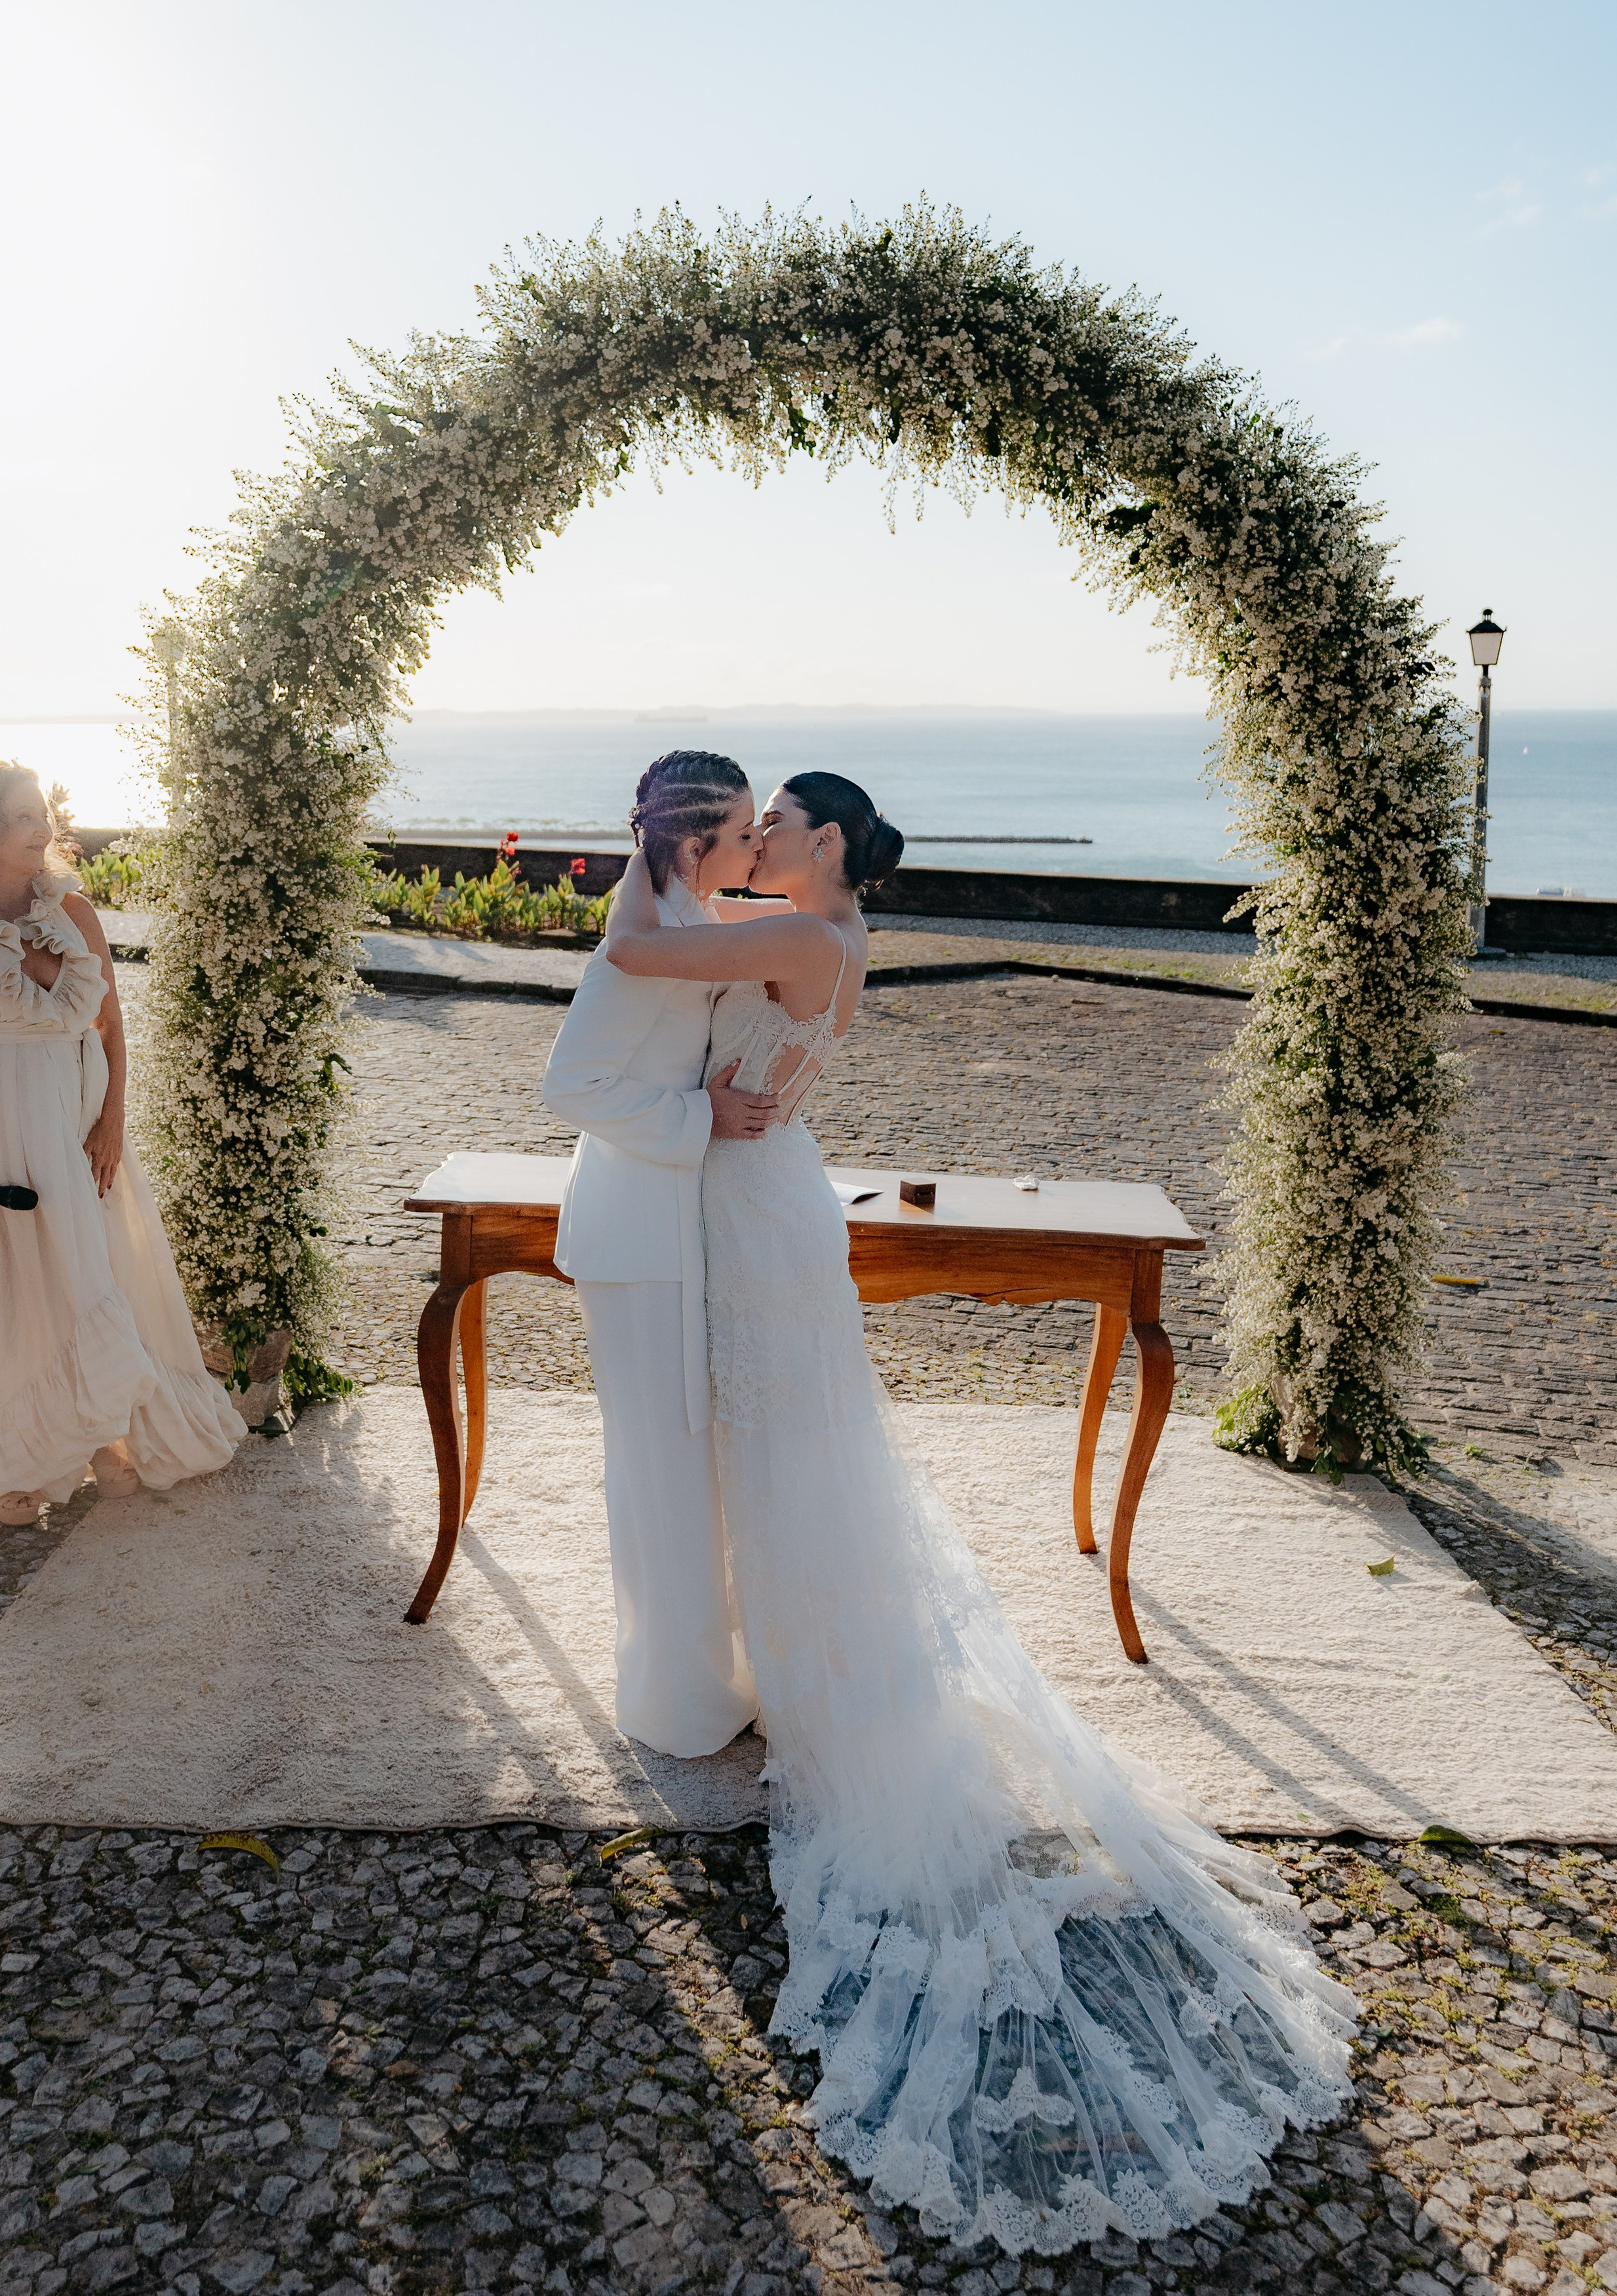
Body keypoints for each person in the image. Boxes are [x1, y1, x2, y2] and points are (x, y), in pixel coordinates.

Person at [600, 769, 1355, 2259]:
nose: (758, 845)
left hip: (760, 1223)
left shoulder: (806, 944)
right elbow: (689, 930)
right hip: (754, 1203)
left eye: (779, 824)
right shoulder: (802, 920)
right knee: (772, 1468)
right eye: (751, 830)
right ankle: (784, 1677)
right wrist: (703, 885)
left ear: (823, 840)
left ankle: (817, 1704)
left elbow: (634, 947)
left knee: (793, 1470)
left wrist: (655, 847)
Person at [541, 750, 780, 1756]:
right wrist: (701, 1115)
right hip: (635, 1233)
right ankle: (673, 1699)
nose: (757, 844)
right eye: (739, 833)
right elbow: (570, 1085)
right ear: (694, 845)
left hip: (670, 1221)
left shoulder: (679, 920)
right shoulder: (633, 946)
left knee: (687, 1462)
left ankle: (706, 1675)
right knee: (659, 1470)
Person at [0, 760, 244, 1523]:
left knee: (86, 1268)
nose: (42, 828)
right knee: (6, 1281)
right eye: (21, 817)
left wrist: (112, 1120)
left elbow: (111, 1025)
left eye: (42, 812)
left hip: (71, 1114)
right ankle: (26, 1462)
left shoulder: (72, 908)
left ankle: (109, 1439)